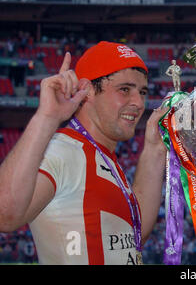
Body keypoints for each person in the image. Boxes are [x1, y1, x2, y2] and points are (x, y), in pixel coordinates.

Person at [0, 41, 168, 264]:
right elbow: (5, 215)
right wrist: (46, 117)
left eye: (143, 92)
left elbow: (134, 234)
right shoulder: (62, 150)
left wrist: (155, 149)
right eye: (124, 90)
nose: (138, 103)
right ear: (87, 91)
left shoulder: (105, 158)